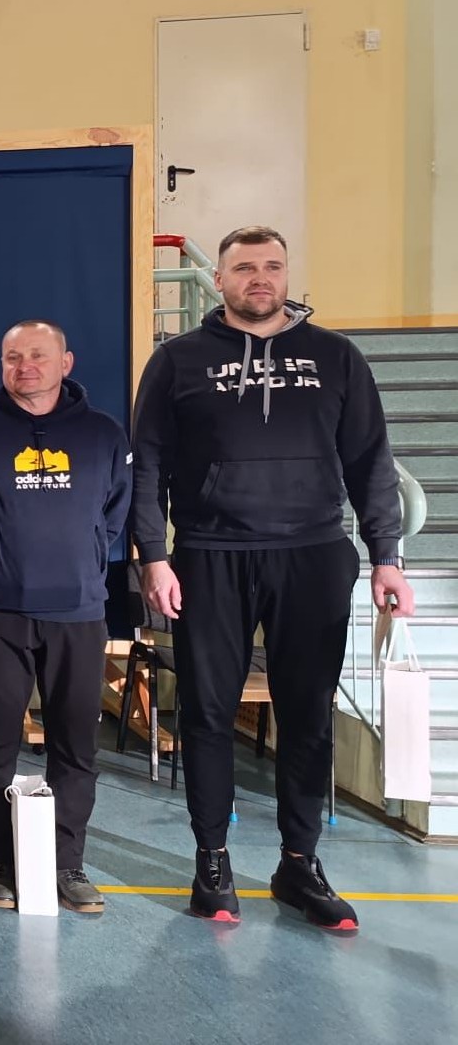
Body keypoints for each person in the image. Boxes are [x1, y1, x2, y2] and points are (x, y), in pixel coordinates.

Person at [132, 225, 415, 932]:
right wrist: (153, 556)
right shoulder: (177, 360)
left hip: (312, 554)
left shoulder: (336, 357)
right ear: (219, 279)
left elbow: (370, 461)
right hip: (209, 555)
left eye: (271, 266)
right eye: (244, 268)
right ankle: (212, 863)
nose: (259, 278)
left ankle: (299, 864)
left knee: (307, 715)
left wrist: (386, 555)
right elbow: (148, 464)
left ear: (286, 275)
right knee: (206, 714)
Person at [0, 321, 130, 914]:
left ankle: (66, 864)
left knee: (75, 745)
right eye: (12, 357)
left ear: (66, 362)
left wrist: (82, 557)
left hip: (78, 612)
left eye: (38, 355)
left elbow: (115, 511)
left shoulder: (103, 434)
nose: (25, 366)